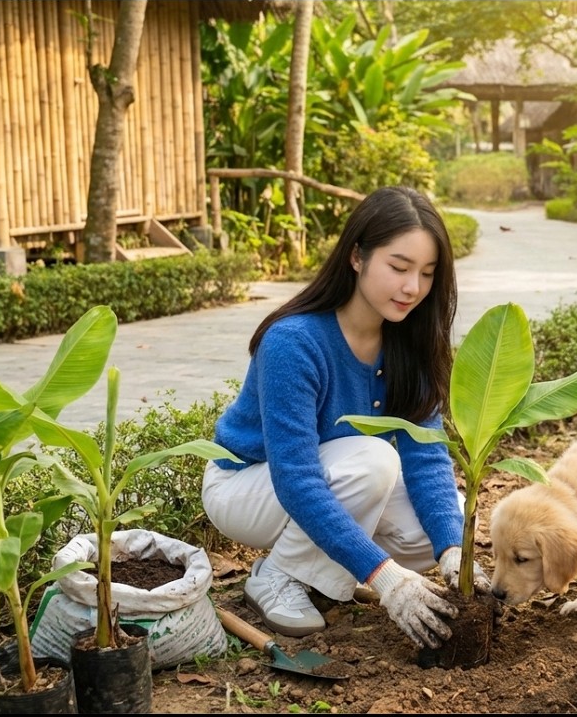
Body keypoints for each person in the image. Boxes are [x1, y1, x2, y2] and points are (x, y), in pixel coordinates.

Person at [202, 186, 489, 650]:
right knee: (374, 462)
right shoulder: (294, 342)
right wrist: (386, 579)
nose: (412, 287)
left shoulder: (409, 345)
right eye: (398, 267)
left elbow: (427, 458)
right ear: (357, 257)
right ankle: (273, 577)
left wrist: (455, 553)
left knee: (429, 533)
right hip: (247, 486)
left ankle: (329, 568)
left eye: (427, 274)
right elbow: (296, 478)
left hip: (336, 473)